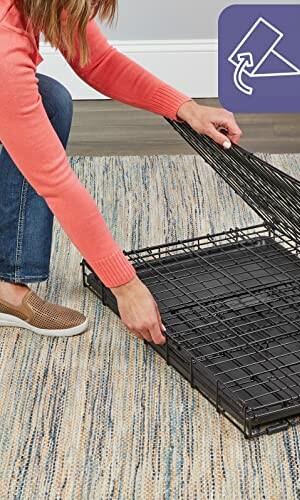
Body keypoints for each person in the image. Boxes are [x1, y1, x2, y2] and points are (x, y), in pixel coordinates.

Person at [0, 0, 242, 344]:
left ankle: (6, 284)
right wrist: (125, 286)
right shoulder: (5, 50)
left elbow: (97, 61)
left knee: (50, 101)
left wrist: (184, 107)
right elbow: (54, 180)